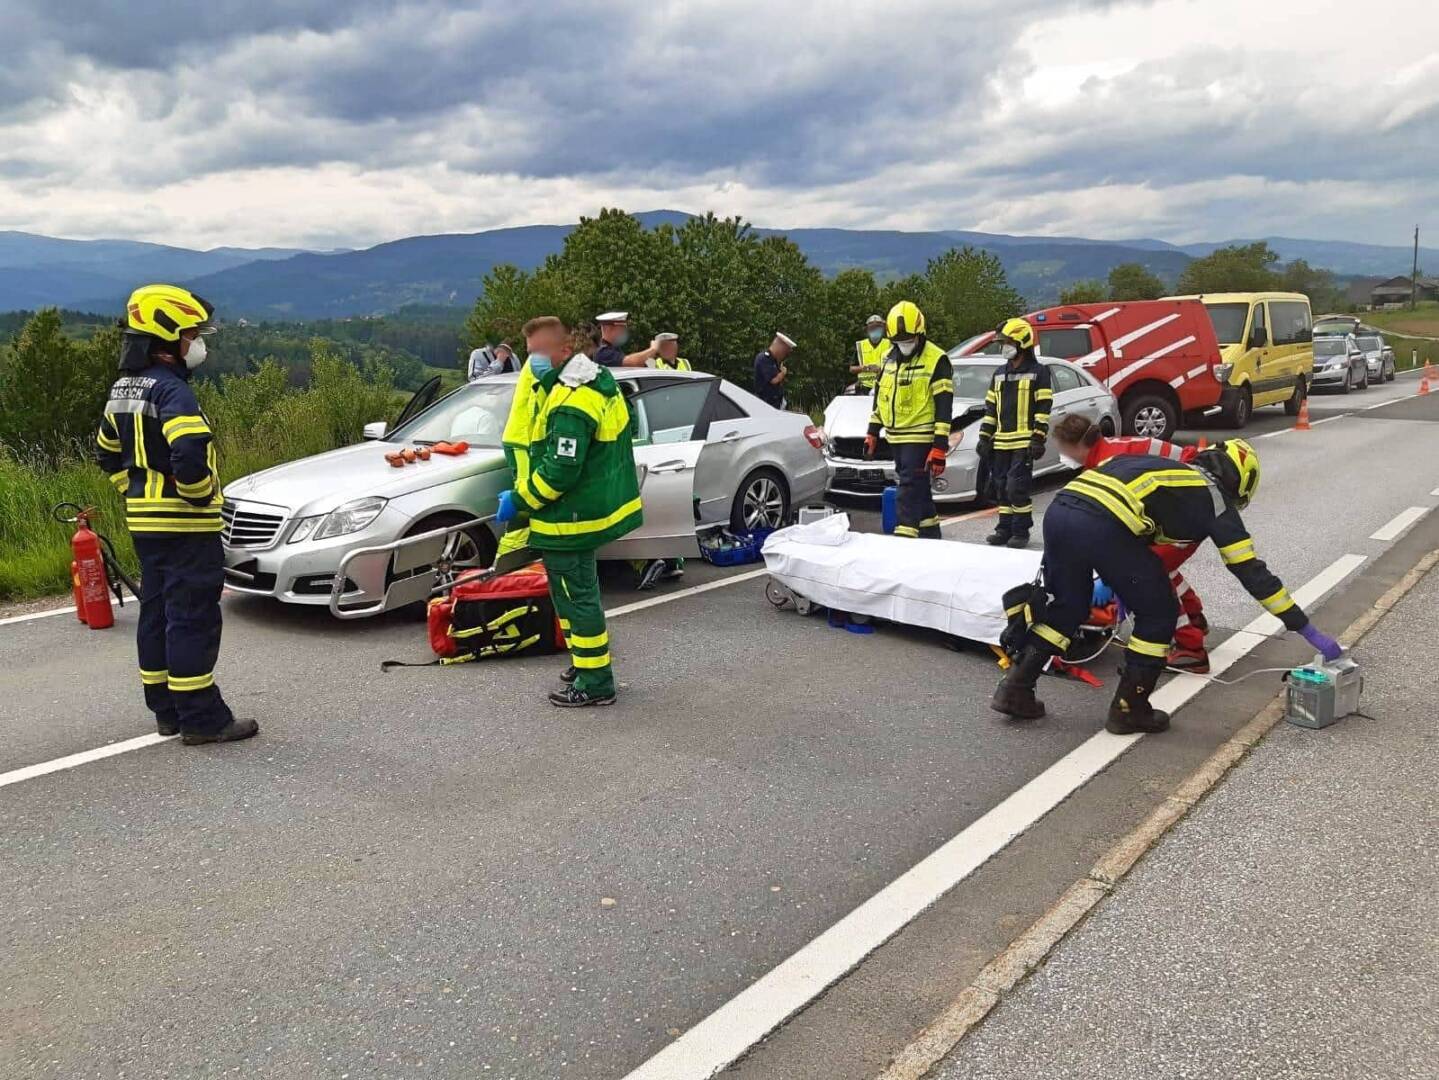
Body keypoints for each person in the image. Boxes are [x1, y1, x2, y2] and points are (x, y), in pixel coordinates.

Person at [991, 439, 1343, 734]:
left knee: (1068, 607)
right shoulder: (1215, 500)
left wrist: (1121, 572)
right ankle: (1130, 708)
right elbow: (1252, 573)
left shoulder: (1163, 468)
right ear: (1241, 481)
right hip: (1102, 525)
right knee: (1159, 614)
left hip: (1060, 512)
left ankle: (1015, 689)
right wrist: (1303, 626)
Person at [94, 284, 258, 746]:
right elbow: (188, 449)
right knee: (193, 618)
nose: (197, 344)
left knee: (158, 612)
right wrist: (199, 494)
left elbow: (106, 453)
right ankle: (203, 719)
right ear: (168, 337)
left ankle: (166, 711)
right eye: (191, 335)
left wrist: (136, 490)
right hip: (185, 527)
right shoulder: (173, 390)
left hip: (145, 523)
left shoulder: (123, 388)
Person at [495, 316, 643, 707]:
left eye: (539, 354)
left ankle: (595, 683)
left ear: (564, 352)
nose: (532, 363)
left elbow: (561, 471)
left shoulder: (572, 402)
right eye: (529, 355)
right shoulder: (584, 381)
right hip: (578, 514)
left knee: (576, 598)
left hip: (570, 519)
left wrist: (521, 501)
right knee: (577, 595)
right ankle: (584, 663)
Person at [1050, 415, 1212, 671]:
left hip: (1185, 514)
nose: (1062, 455)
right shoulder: (1114, 446)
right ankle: (1194, 615)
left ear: (1076, 446)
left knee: (1150, 577)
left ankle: (1190, 648)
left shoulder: (1106, 465)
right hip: (1187, 505)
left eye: (1063, 450)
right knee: (1160, 567)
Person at [863, 301, 952, 539]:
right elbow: (881, 397)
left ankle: (905, 536)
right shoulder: (887, 358)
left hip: (920, 435)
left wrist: (940, 446)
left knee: (908, 486)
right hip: (895, 436)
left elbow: (944, 407)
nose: (904, 344)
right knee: (919, 488)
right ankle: (930, 531)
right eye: (899, 341)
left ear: (920, 333)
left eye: (909, 339)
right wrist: (872, 431)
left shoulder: (936, 359)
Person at [977, 318, 1052, 549]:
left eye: (1008, 342)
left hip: (1023, 443)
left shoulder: (1039, 372)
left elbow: (1043, 408)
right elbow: (991, 408)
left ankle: (1021, 531)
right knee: (1000, 487)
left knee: (1016, 488)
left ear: (1022, 342)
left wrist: (1038, 438)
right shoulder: (999, 374)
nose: (1004, 347)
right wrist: (984, 436)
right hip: (1001, 443)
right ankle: (1004, 529)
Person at [593, 312, 660, 367]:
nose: (624, 331)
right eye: (621, 327)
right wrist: (653, 349)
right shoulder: (603, 353)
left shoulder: (614, 349)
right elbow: (632, 363)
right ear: (608, 328)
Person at [753, 331, 795, 409]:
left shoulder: (773, 361)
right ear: (780, 347)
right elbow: (774, 380)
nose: (784, 355)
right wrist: (783, 372)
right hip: (765, 404)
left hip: (775, 404)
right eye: (785, 352)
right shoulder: (764, 358)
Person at [849, 314, 888, 393]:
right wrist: (867, 368)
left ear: (883, 329)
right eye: (872, 328)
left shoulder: (889, 344)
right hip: (863, 387)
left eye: (878, 327)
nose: (875, 330)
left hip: (884, 386)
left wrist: (880, 369)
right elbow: (851, 369)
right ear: (867, 329)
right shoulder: (860, 345)